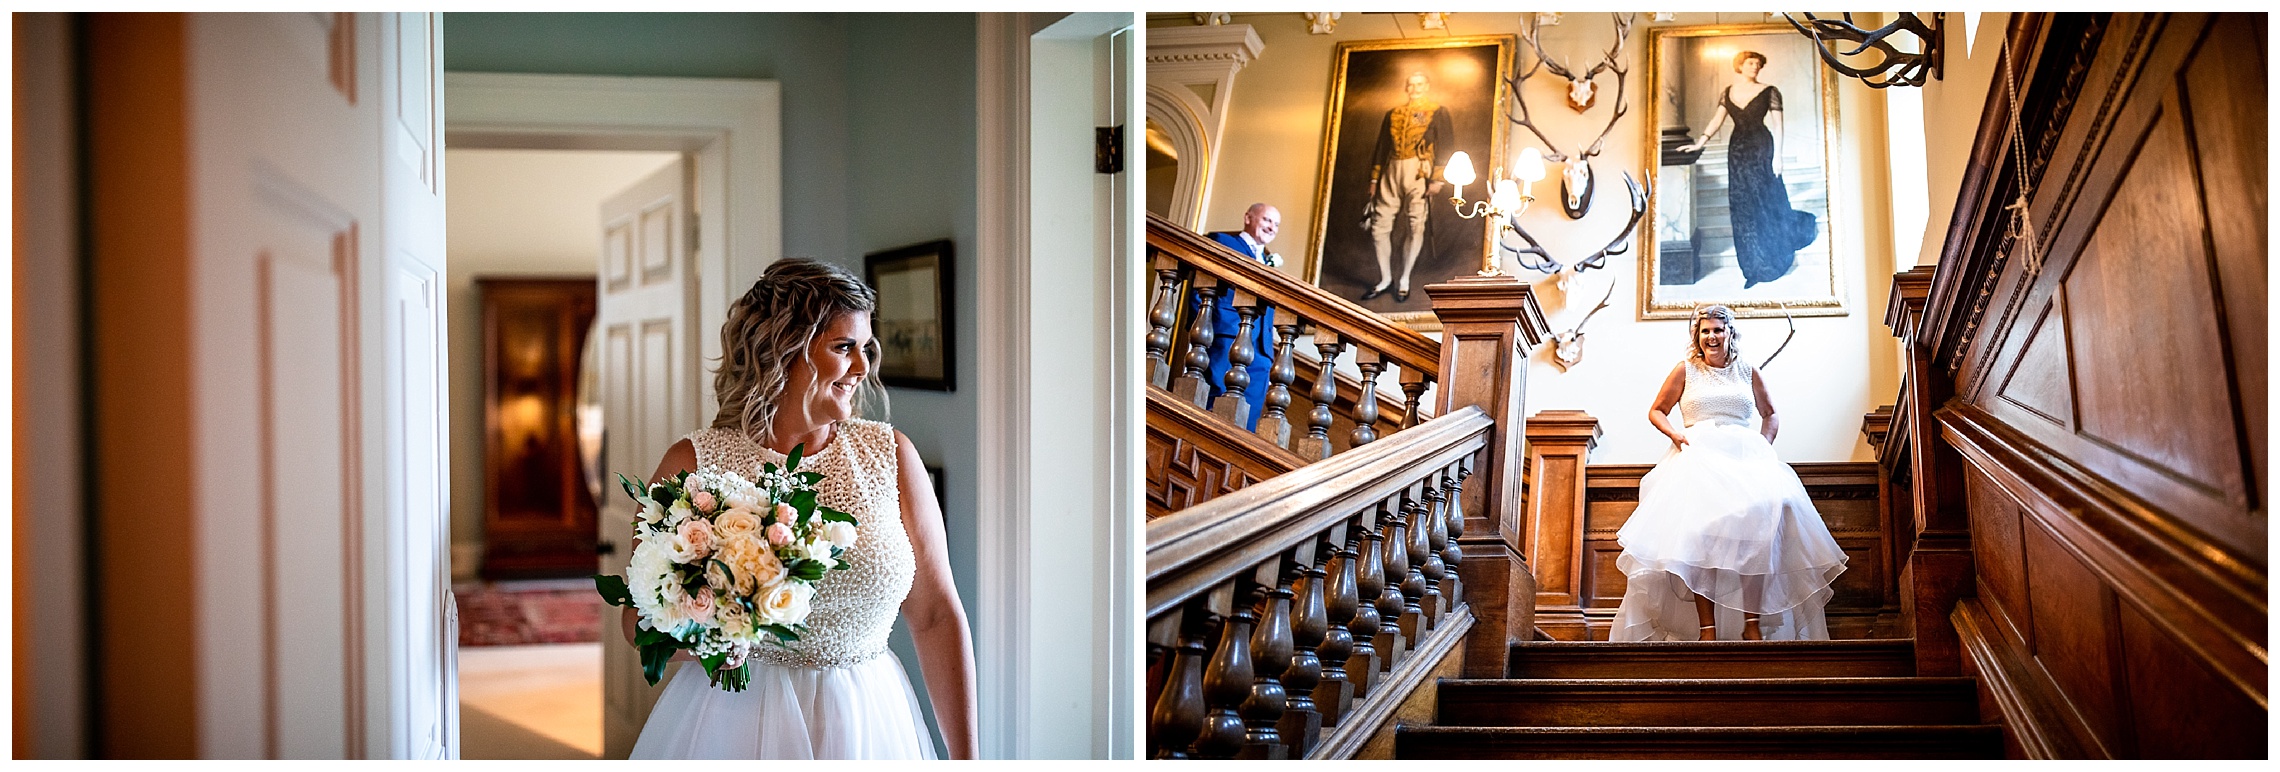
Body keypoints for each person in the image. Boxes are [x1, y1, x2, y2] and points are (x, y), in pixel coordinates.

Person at [624, 259, 976, 759]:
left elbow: (938, 615)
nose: (862, 368)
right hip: (739, 723)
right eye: (843, 347)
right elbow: (637, 623)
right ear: (783, 349)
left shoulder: (891, 455)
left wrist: (969, 761)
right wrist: (717, 634)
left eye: (865, 349)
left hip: (869, 722)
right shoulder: (696, 462)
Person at [1609, 305, 1846, 642]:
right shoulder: (1685, 370)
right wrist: (1676, 435)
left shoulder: (1747, 370)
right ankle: (1708, 630)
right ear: (1697, 335)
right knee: (1699, 538)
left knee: (1756, 536)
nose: (1711, 336)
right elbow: (1657, 411)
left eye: (1718, 330)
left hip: (1743, 459)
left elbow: (1771, 413)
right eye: (1705, 331)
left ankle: (1752, 626)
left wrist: (1764, 446)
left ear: (1730, 333)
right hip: (1699, 458)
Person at [1676, 51, 1819, 288]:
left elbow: (1778, 126)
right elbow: (1716, 120)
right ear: (1740, 66)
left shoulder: (1770, 91)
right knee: (1743, 205)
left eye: (1758, 64)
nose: (1755, 67)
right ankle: (1753, 266)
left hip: (1762, 147)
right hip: (1738, 151)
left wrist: (1778, 157)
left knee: (1765, 201)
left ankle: (1772, 258)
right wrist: (1699, 142)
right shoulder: (1728, 92)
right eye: (1750, 63)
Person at [1362, 72, 1454, 303]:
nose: (1415, 88)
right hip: (1392, 169)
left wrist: (1437, 180)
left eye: (1420, 84)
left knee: (1416, 225)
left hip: (1419, 170)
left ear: (1427, 86)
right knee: (1379, 226)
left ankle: (1404, 279)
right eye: (1411, 85)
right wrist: (1374, 180)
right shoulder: (1392, 114)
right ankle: (1385, 279)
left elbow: (1446, 145)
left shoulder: (1437, 111)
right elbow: (1382, 147)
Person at [1197, 203, 1281, 431]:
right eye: (1266, 220)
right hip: (1228, 334)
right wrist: (1198, 327)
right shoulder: (1224, 242)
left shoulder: (1270, 261)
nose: (1271, 227)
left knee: (1249, 414)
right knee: (1215, 400)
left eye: (1276, 224)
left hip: (1260, 349)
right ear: (1248, 218)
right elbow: (1200, 289)